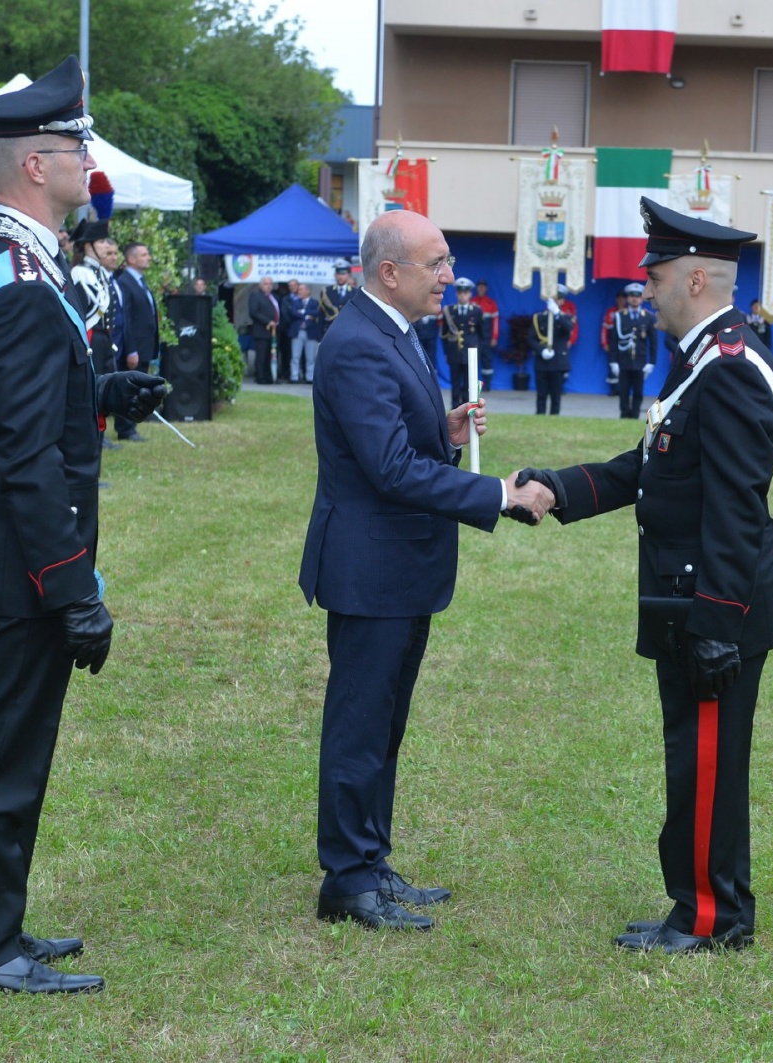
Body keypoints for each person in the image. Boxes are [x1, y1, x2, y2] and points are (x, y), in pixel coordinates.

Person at [0, 56, 168, 995]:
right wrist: (76, 589)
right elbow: (29, 461)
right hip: (24, 565)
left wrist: (101, 389)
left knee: (6, 751)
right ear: (35, 164)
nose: (87, 157)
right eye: (76, 142)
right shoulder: (27, 280)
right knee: (4, 759)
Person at [517, 197, 773, 954]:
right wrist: (558, 488)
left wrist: (713, 625)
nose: (648, 288)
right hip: (698, 598)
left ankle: (710, 918)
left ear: (699, 279)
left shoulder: (728, 369)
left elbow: (737, 511)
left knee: (704, 763)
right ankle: (705, 904)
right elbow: (653, 468)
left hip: (714, 609)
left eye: (659, 274)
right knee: (699, 759)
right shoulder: (705, 358)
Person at [299, 209, 552, 932]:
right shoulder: (357, 342)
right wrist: (499, 494)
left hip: (401, 565)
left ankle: (370, 858)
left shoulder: (397, 331)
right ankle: (346, 879)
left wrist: (444, 429)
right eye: (437, 263)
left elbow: (398, 440)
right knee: (359, 723)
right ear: (389, 272)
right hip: (369, 566)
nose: (450, 276)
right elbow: (388, 468)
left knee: (384, 722)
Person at [69, 216, 122, 449]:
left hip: (103, 337)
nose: (107, 247)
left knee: (106, 385)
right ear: (88, 246)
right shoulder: (81, 272)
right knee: (93, 387)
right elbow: (88, 309)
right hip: (91, 336)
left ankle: (100, 436)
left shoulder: (99, 272)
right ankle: (93, 438)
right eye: (101, 242)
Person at [115, 241, 158, 443]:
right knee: (130, 387)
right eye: (143, 254)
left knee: (139, 387)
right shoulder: (125, 282)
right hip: (135, 347)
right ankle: (125, 428)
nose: (148, 257)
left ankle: (131, 426)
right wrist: (131, 349)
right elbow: (127, 320)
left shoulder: (140, 281)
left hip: (144, 346)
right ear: (131, 259)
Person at [609, 281, 657, 419]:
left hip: (640, 362)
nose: (635, 298)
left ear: (642, 298)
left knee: (638, 392)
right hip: (623, 361)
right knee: (623, 391)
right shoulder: (619, 316)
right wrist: (613, 362)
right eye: (631, 296)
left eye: (637, 296)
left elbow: (653, 342)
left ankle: (635, 416)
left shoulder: (648, 317)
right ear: (627, 298)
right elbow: (614, 340)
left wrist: (651, 362)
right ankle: (624, 416)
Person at [441, 276, 487, 409]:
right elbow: (444, 334)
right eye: (460, 292)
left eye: (465, 292)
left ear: (470, 294)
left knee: (469, 383)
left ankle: (467, 408)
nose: (463, 295)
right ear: (456, 293)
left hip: (471, 352)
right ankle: (455, 407)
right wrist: (446, 352)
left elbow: (482, 333)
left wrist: (480, 352)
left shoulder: (476, 311)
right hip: (454, 352)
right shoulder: (450, 311)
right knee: (455, 382)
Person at [532, 293, 574, 415]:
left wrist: (557, 314)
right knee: (541, 395)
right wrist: (541, 350)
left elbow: (568, 328)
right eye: (553, 299)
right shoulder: (539, 317)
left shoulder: (566, 317)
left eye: (558, 299)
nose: (556, 301)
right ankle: (540, 418)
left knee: (556, 396)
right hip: (542, 361)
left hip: (558, 362)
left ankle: (554, 418)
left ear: (562, 301)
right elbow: (531, 338)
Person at [248, 275, 281, 385]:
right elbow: (254, 312)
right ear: (260, 285)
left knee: (270, 355)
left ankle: (269, 376)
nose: (268, 286)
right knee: (261, 355)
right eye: (266, 284)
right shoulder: (255, 296)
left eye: (270, 284)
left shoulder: (273, 297)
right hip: (262, 330)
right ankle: (260, 377)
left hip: (273, 331)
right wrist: (267, 321)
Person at [286, 279, 312, 383]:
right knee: (295, 356)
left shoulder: (314, 302)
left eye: (301, 289)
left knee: (310, 357)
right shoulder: (295, 302)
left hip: (310, 333)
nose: (299, 291)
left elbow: (315, 313)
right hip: (297, 332)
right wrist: (306, 314)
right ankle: (294, 377)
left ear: (307, 291)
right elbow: (293, 313)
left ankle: (310, 377)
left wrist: (302, 312)